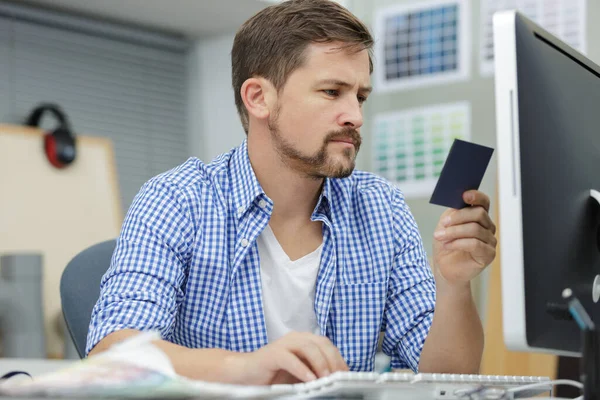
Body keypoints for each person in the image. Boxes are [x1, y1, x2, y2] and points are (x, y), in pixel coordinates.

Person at [87, 0, 497, 386]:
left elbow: (447, 380)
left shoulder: (381, 207)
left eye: (361, 97)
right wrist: (248, 367)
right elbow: (115, 356)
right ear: (259, 98)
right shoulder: (177, 199)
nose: (354, 116)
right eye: (332, 92)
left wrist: (453, 286)